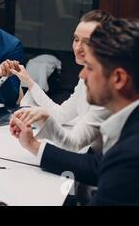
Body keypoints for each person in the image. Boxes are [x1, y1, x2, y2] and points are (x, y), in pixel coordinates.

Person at [0, 19, 139, 206]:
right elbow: (97, 167)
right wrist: (33, 145)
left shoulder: (133, 154)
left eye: (90, 68)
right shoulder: (133, 124)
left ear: (118, 78)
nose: (81, 75)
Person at [9, 11, 113, 152]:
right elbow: (61, 114)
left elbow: (75, 143)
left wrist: (41, 125)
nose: (77, 48)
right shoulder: (85, 80)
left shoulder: (108, 90)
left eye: (87, 42)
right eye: (76, 39)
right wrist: (28, 80)